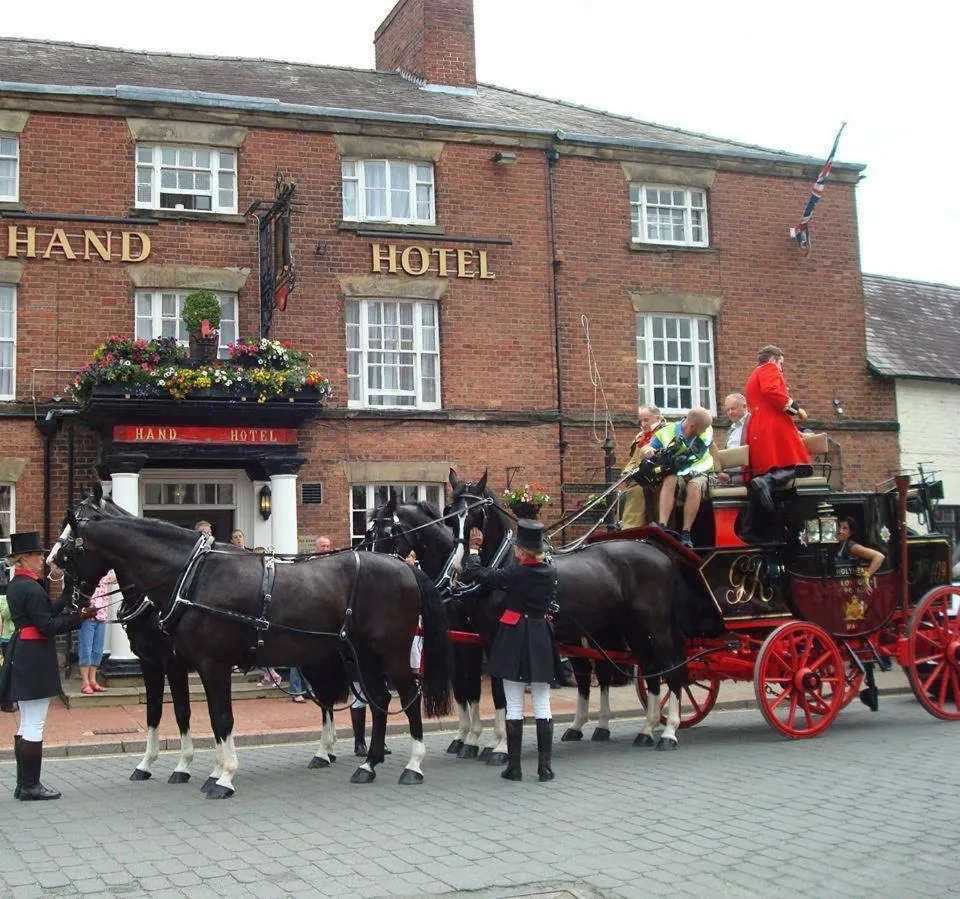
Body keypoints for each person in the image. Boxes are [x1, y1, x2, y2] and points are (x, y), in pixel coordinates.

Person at [464, 519, 562, 782]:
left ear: (520, 550)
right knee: (543, 704)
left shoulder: (516, 573)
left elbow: (481, 574)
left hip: (515, 637)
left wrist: (473, 550)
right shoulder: (550, 572)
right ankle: (545, 768)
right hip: (541, 636)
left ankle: (515, 768)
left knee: (515, 704)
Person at [0, 532, 95, 800]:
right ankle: (31, 786)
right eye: (38, 555)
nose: (42, 560)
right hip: (35, 657)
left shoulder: (19, 585)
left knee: (27, 723)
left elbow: (44, 613)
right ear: (24, 558)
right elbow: (47, 626)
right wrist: (79, 617)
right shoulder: (30, 588)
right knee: (34, 725)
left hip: (24, 652)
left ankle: (24, 784)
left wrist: (66, 596)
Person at [638, 407, 723, 548]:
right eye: (702, 428)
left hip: (701, 472)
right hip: (679, 473)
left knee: (694, 486)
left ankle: (686, 532)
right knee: (670, 478)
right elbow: (647, 447)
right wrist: (648, 451)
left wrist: (719, 471)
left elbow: (713, 448)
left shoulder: (706, 432)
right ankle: (663, 526)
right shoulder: (667, 432)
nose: (705, 430)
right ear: (692, 425)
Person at [744, 345, 812, 511]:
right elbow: (771, 390)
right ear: (773, 359)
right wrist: (797, 409)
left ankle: (766, 483)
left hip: (758, 427)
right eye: (781, 363)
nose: (781, 368)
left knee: (770, 470)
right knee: (804, 467)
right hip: (773, 425)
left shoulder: (754, 375)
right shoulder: (770, 368)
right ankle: (766, 481)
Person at [620, 404, 666, 528]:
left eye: (646, 420)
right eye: (641, 421)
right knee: (623, 493)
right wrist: (627, 472)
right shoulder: (640, 436)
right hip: (640, 475)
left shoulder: (666, 432)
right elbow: (634, 460)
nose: (643, 424)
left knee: (638, 491)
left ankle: (632, 528)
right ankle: (625, 526)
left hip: (658, 476)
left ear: (657, 418)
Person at [78, 569, 113, 695]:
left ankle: (93, 680)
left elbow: (115, 578)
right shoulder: (87, 572)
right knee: (86, 649)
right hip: (88, 615)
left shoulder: (105, 572)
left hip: (102, 615)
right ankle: (85, 682)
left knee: (97, 650)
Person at [836, 518, 885, 592]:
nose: (840, 531)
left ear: (849, 534)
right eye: (838, 527)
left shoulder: (853, 547)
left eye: (844, 528)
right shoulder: (836, 545)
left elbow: (879, 556)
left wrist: (866, 576)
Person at [716, 393, 750, 485]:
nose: (730, 412)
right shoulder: (733, 427)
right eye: (728, 410)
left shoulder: (752, 423)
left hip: (745, 472)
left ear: (744, 406)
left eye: (733, 408)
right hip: (729, 472)